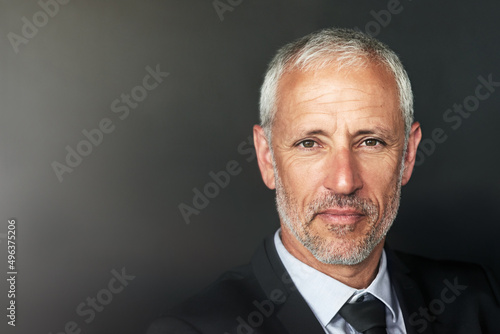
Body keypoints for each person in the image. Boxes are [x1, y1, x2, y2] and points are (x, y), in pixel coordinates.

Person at [147, 28, 500, 334]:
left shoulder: (480, 301)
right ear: (267, 157)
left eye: (370, 141)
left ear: (407, 155)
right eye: (310, 144)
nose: (344, 181)